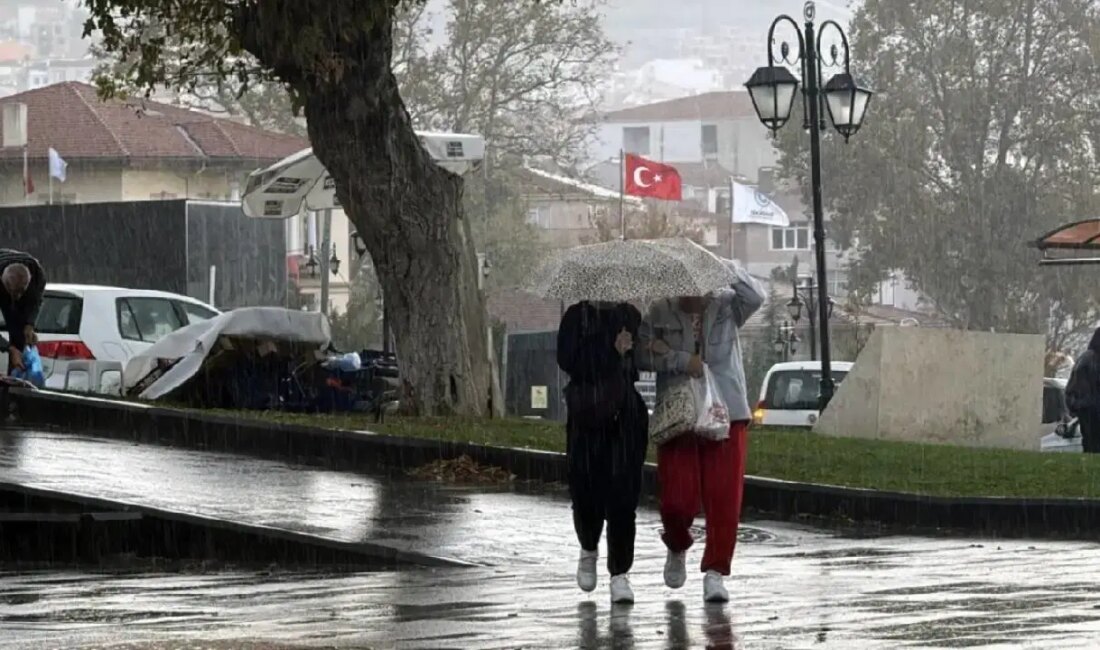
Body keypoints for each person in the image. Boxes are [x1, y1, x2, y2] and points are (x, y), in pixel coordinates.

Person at [637, 260, 764, 602]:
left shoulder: (726, 306)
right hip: (680, 415)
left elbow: (757, 296)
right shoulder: (659, 312)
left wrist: (725, 267)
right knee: (678, 499)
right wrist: (679, 359)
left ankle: (715, 571)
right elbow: (640, 355)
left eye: (700, 282)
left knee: (724, 498)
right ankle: (677, 544)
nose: (693, 291)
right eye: (685, 283)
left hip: (726, 411)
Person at [556, 300, 648, 603]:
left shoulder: (629, 315)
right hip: (588, 413)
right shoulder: (577, 316)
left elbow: (642, 361)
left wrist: (641, 349)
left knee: (624, 495)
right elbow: (568, 360)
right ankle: (588, 547)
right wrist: (611, 350)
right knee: (586, 491)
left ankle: (620, 572)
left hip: (626, 416)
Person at [0, 249, 46, 375]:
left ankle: (18, 375)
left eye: (22, 291)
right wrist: (8, 348)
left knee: (21, 333)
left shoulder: (37, 274)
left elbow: (36, 302)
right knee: (12, 346)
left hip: (25, 279)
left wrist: (30, 324)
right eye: (15, 293)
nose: (19, 297)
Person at [1066, 328, 1100, 453]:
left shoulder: (1086, 358)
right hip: (1090, 410)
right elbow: (1076, 388)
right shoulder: (1089, 359)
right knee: (1093, 445)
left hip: (1088, 409)